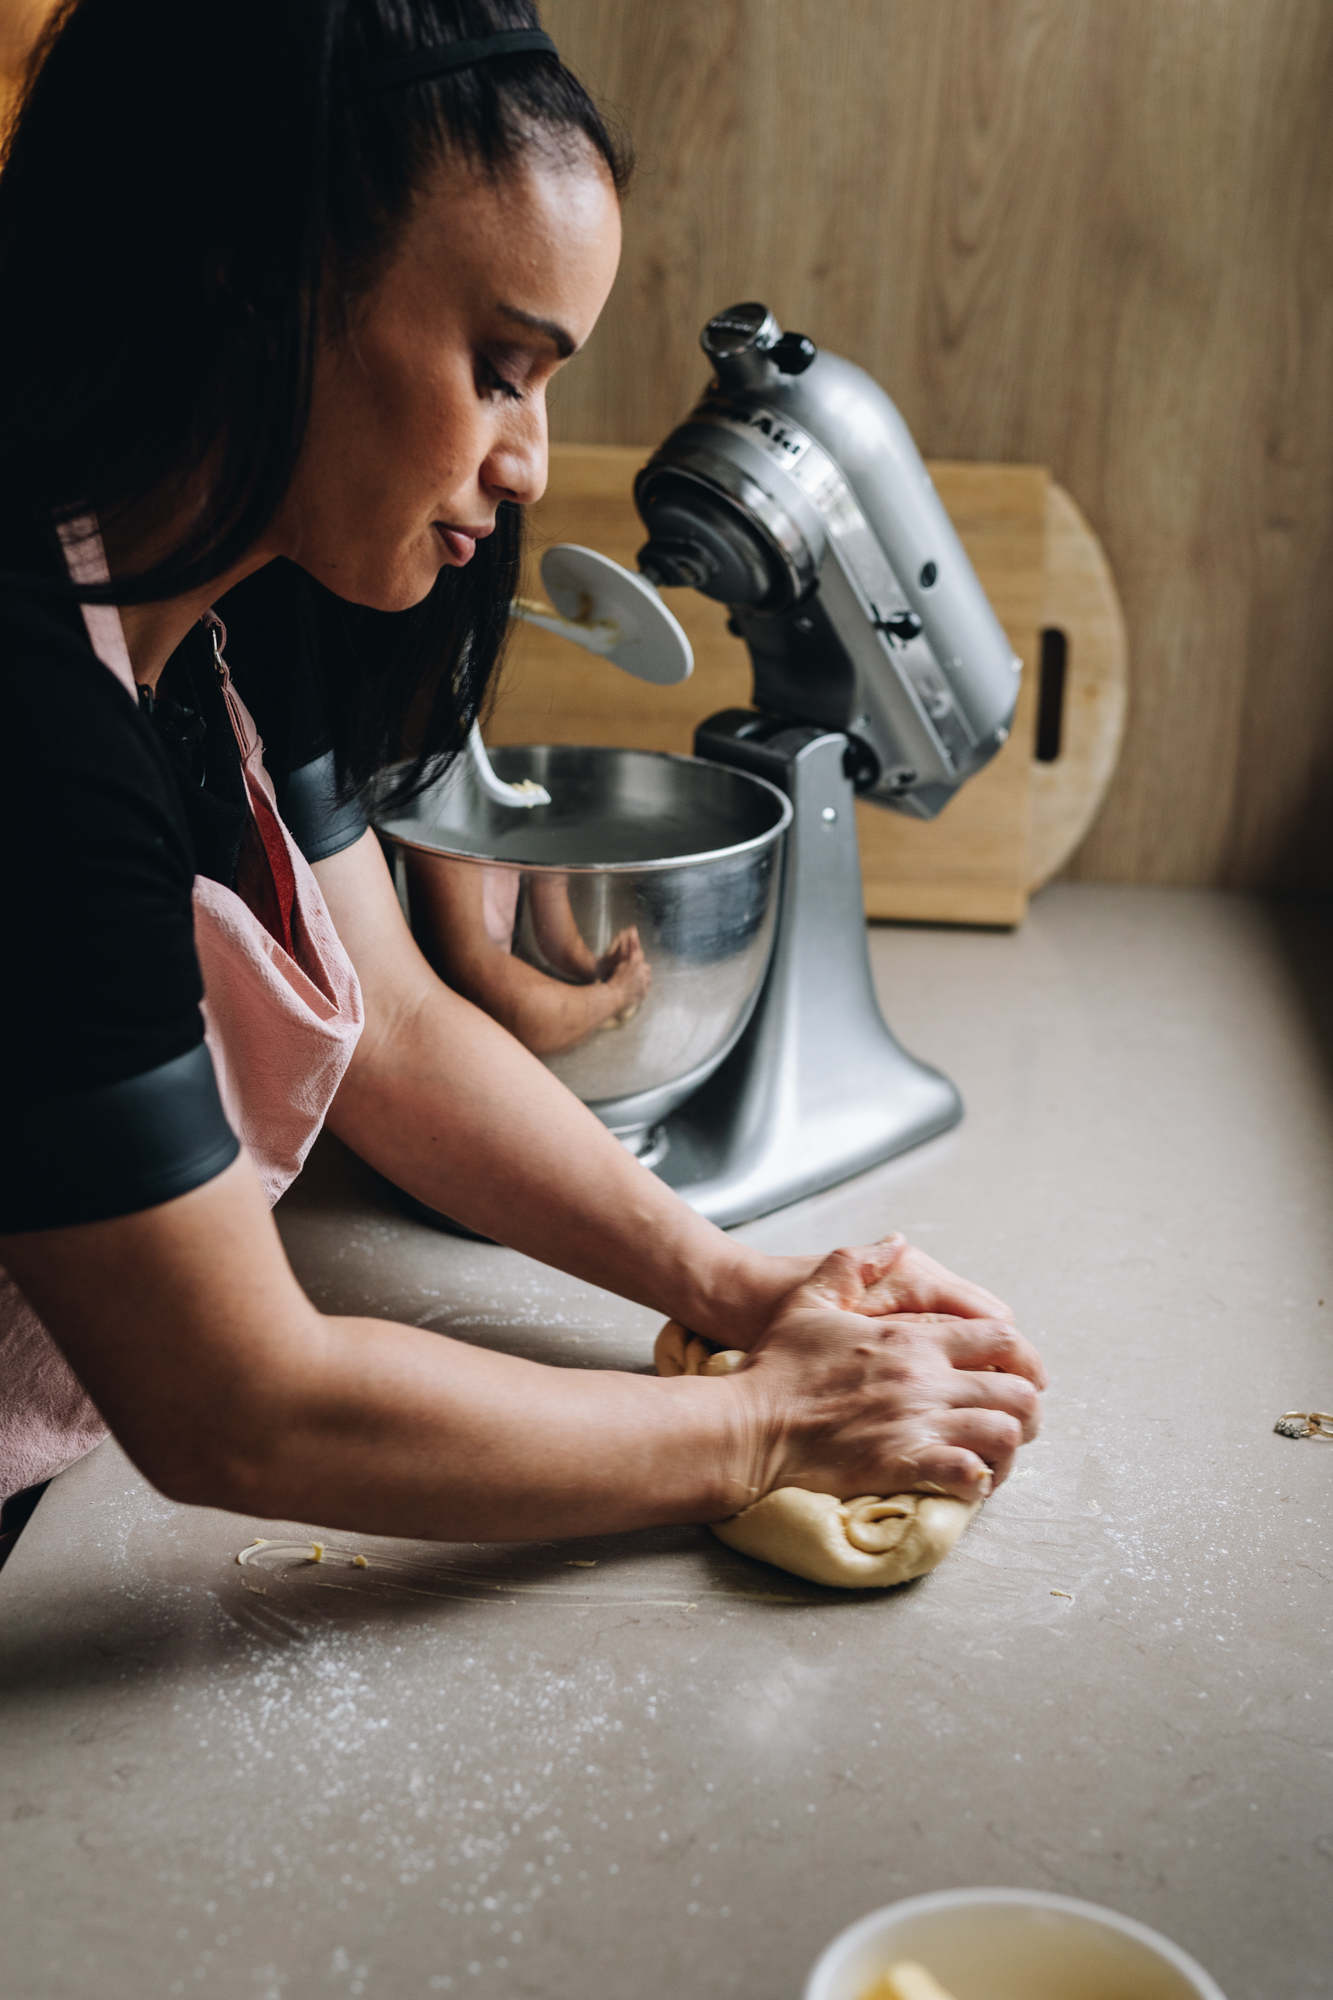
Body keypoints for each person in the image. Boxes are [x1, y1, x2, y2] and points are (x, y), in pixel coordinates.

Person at [0, 0, 1045, 1554]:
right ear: (258, 282)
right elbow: (236, 1404)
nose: (530, 462)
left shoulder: (236, 581)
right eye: (500, 367)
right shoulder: (32, 725)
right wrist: (767, 1423)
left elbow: (400, 1024)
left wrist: (726, 1283)